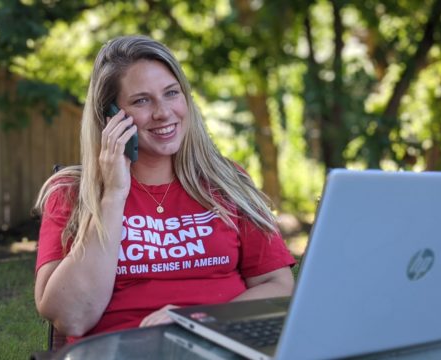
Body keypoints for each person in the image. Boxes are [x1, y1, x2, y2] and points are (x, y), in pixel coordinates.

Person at [33, 35, 296, 343]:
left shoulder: (227, 181)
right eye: (142, 100)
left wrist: (200, 322)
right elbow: (71, 318)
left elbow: (277, 284)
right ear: (111, 117)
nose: (163, 112)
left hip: (217, 346)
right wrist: (113, 195)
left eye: (171, 93)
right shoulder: (72, 192)